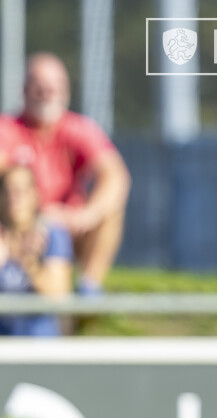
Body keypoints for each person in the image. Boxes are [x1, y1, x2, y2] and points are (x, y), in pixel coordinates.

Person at [0, 52, 131, 294]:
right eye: (39, 86)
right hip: (20, 228)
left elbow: (115, 174)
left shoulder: (79, 129)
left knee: (110, 209)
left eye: (54, 86)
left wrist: (86, 215)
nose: (47, 93)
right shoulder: (7, 129)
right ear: (25, 90)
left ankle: (88, 290)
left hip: (68, 223)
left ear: (66, 90)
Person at [0, 166, 72, 335]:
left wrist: (29, 262)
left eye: (21, 191)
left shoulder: (51, 234)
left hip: (39, 342)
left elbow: (59, 296)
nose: (14, 198)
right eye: (7, 191)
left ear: (35, 195)